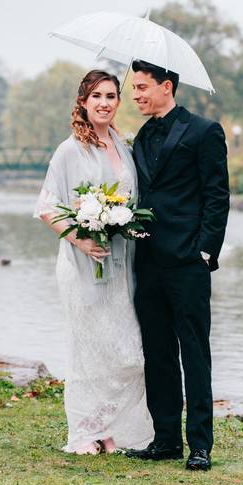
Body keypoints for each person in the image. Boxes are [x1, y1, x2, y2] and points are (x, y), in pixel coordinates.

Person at [34, 69, 154, 455]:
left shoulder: (122, 145)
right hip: (82, 263)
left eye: (111, 96)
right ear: (83, 102)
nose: (104, 103)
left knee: (125, 349)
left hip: (121, 265)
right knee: (90, 348)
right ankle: (86, 431)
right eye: (97, 96)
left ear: (118, 103)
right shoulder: (70, 150)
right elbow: (46, 207)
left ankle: (110, 426)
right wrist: (81, 240)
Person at [124, 59, 230, 471]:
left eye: (142, 87)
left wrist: (205, 251)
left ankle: (200, 445)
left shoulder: (205, 131)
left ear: (166, 86)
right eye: (133, 88)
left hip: (188, 262)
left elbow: (217, 195)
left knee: (194, 352)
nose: (135, 95)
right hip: (147, 260)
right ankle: (165, 439)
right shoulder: (141, 136)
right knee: (158, 352)